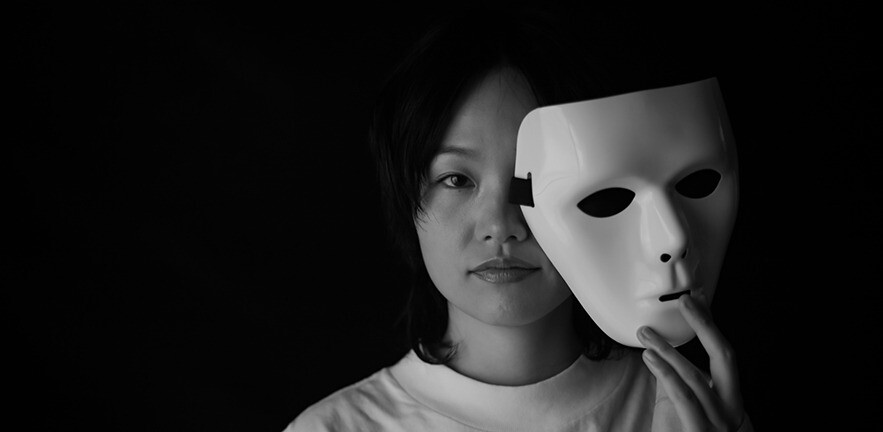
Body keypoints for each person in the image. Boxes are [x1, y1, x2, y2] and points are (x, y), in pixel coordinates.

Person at [285, 7, 752, 432]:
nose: (501, 224)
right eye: (456, 179)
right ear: (406, 198)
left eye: (529, 182)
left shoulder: (688, 416)